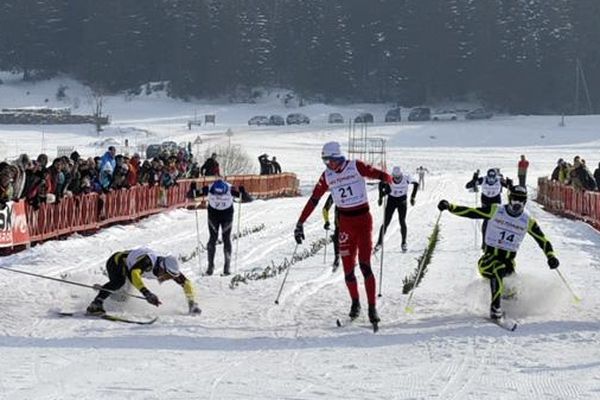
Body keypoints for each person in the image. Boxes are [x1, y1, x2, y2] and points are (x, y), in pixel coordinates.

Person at [294, 141, 392, 327]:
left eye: (330, 160)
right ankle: (355, 303)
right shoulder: (327, 176)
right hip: (345, 223)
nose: (328, 164)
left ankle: (372, 307)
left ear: (338, 157)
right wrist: (300, 223)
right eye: (325, 161)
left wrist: (386, 182)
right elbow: (314, 199)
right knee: (348, 270)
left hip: (363, 220)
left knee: (364, 265)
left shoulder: (356, 166)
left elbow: (381, 175)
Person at [437, 185, 559, 320]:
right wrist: (450, 207)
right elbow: (471, 212)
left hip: (509, 264)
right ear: (509, 199)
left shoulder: (527, 221)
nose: (517, 204)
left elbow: (543, 240)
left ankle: (512, 307)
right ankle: (495, 309)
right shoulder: (496, 210)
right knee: (498, 267)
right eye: (514, 200)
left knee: (511, 290)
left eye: (521, 200)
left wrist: (551, 256)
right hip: (488, 260)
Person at [86, 248, 201, 315]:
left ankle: (104, 290)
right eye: (168, 276)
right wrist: (147, 293)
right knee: (119, 282)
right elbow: (134, 274)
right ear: (162, 268)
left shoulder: (169, 269)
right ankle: (96, 304)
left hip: (128, 270)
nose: (168, 279)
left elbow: (186, 283)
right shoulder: (148, 261)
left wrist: (192, 303)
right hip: (116, 262)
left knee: (123, 299)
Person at [202, 178, 252, 276]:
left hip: (227, 214)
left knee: (226, 238)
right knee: (212, 238)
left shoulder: (230, 188)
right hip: (213, 214)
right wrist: (193, 190)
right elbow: (191, 195)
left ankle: (227, 268)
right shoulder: (209, 188)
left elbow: (248, 199)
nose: (219, 196)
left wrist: (243, 192)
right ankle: (210, 267)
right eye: (217, 194)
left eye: (221, 194)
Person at [374, 166, 419, 253]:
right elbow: (380, 185)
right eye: (395, 177)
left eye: (398, 177)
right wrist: (380, 197)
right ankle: (379, 243)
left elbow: (416, 184)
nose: (397, 179)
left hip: (402, 200)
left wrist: (412, 197)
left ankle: (404, 243)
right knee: (386, 222)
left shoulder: (406, 178)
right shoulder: (389, 178)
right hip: (391, 200)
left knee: (402, 221)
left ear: (401, 175)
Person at [466, 168, 512, 247]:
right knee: (486, 221)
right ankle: (484, 242)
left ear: (495, 177)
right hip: (486, 201)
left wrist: (509, 184)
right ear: (487, 176)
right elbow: (467, 186)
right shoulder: (483, 179)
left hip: (496, 201)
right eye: (489, 178)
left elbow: (511, 188)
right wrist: (474, 180)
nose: (491, 180)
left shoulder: (499, 180)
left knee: (497, 221)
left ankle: (497, 241)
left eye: (493, 178)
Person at [322, 194, 340, 270]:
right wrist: (326, 221)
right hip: (340, 220)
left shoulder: (334, 192)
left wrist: (326, 221)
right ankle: (337, 257)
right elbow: (325, 209)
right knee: (337, 237)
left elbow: (325, 209)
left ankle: (338, 257)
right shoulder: (334, 193)